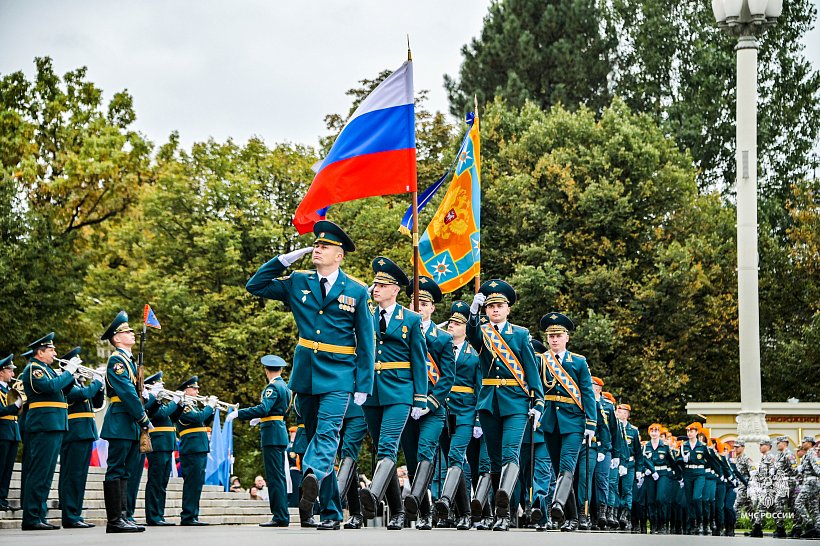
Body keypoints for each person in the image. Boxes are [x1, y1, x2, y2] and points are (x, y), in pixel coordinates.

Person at [246, 220, 374, 531]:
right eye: (315, 245)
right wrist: (284, 260)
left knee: (328, 434)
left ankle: (312, 475)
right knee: (321, 440)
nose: (317, 249)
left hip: (340, 374)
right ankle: (329, 512)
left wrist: (364, 383)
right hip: (306, 373)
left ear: (339, 255)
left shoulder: (355, 290)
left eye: (324, 246)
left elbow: (367, 339)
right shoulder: (298, 281)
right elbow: (256, 285)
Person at [466, 280, 545, 531]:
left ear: (508, 309)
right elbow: (472, 336)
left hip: (516, 402)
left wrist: (538, 400)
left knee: (511, 453)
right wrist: (472, 313)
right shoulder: (484, 332)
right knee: (494, 458)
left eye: (499, 306)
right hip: (490, 401)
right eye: (490, 307)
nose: (495, 310)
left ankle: (504, 513)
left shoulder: (520, 334)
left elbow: (531, 369)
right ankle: (500, 513)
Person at [359, 257, 427, 531]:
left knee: (388, 445)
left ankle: (373, 496)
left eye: (382, 285)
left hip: (400, 389)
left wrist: (420, 397)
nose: (375, 288)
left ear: (396, 289)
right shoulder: (366, 316)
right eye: (374, 283)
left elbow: (419, 359)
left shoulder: (410, 319)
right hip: (372, 391)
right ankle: (398, 512)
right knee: (379, 451)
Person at [401, 276, 455, 529]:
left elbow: (448, 377)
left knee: (425, 452)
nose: (418, 307)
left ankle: (425, 511)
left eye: (423, 303)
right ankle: (423, 510)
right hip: (406, 403)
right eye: (414, 302)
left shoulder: (443, 338)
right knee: (412, 458)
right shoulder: (401, 331)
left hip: (432, 408)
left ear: (432, 308)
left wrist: (431, 403)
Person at [538, 312, 595, 533]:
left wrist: (591, 423)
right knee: (558, 469)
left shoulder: (578, 362)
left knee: (567, 467)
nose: (554, 339)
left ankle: (557, 505)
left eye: (558, 335)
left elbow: (588, 394)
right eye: (551, 336)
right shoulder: (541, 360)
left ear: (566, 338)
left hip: (573, 422)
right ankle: (570, 518)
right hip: (551, 421)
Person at [99, 311, 152, 533]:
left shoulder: (128, 361)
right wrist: (143, 417)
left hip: (129, 421)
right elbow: (127, 392)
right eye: (127, 331)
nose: (132, 333)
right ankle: (114, 521)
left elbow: (135, 391)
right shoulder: (117, 360)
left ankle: (123, 515)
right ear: (117, 338)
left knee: (126, 471)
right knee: (116, 469)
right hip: (121, 418)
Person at [20, 332, 78, 530]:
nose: (55, 353)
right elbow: (50, 387)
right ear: (40, 352)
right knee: (38, 472)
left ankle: (39, 515)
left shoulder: (47, 369)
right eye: (51, 350)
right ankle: (31, 517)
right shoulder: (33, 369)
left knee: (46, 474)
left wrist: (73, 375)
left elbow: (62, 389)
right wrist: (69, 372)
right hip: (44, 425)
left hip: (54, 425)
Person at [434, 300, 482, 531]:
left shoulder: (474, 355)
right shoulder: (441, 349)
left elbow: (480, 387)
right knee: (448, 460)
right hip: (443, 409)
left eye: (457, 323)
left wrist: (479, 418)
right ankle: (458, 513)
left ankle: (454, 508)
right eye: (451, 321)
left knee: (455, 456)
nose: (451, 325)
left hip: (465, 411)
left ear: (466, 328)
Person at [234, 354, 292, 527]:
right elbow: (281, 412)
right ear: (280, 370)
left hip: (272, 435)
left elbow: (264, 407)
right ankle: (281, 515)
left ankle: (280, 516)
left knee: (274, 478)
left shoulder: (272, 387)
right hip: (278, 432)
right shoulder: (286, 388)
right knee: (278, 477)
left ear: (267, 371)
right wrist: (261, 418)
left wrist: (240, 413)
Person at [59, 346, 104, 528]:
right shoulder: (66, 383)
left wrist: (98, 387)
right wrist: (97, 382)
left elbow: (97, 402)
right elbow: (83, 395)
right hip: (74, 433)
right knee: (73, 475)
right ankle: (70, 515)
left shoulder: (78, 382)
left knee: (79, 476)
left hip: (85, 432)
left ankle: (75, 513)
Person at [174, 376, 216, 525]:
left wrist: (211, 411)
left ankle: (193, 515)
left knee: (197, 483)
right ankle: (187, 516)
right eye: (194, 388)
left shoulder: (193, 405)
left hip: (199, 448)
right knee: (192, 483)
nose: (197, 391)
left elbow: (203, 422)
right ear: (185, 390)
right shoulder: (183, 406)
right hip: (191, 449)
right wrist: (209, 406)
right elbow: (197, 418)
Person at [143, 371, 180, 526]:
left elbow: (173, 418)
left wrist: (180, 405)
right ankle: (153, 516)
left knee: (162, 482)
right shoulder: (150, 402)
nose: (163, 386)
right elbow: (162, 414)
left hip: (166, 445)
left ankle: (159, 514)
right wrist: (175, 402)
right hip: (157, 445)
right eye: (159, 383)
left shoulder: (159, 401)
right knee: (155, 481)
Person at [577, 376, 611, 531]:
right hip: (572, 444)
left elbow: (604, 428)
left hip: (590, 446)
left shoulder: (596, 404)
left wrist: (603, 449)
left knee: (585, 479)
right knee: (569, 477)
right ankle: (569, 513)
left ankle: (583, 514)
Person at [641, 423, 673, 535]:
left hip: (662, 474)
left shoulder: (665, 447)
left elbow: (671, 462)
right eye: (652, 431)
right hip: (650, 474)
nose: (654, 433)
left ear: (659, 433)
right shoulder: (645, 447)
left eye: (656, 431)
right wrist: (645, 470)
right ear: (649, 433)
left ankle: (662, 524)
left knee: (660, 498)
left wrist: (676, 475)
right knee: (651, 500)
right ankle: (654, 524)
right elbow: (641, 461)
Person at [678, 422, 708, 535]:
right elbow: (677, 460)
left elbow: (711, 460)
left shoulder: (702, 446)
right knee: (689, 500)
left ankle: (700, 521)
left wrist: (719, 473)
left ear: (696, 432)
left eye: (691, 431)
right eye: (688, 431)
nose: (689, 433)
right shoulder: (683, 446)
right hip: (688, 472)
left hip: (699, 473)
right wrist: (682, 460)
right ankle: (692, 524)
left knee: (696, 497)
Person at [0, 354, 21, 512]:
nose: (13, 374)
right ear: (1, 372)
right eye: (10, 371)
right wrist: (16, 405)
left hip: (13, 431)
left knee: (8, 469)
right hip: (2, 431)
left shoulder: (9, 390)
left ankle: (3, 498)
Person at [616, 403, 642, 531]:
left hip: (630, 464)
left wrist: (639, 469)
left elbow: (638, 452)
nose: (618, 413)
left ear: (626, 414)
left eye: (621, 411)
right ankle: (615, 515)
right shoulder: (614, 427)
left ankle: (625, 515)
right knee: (615, 489)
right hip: (616, 462)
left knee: (627, 490)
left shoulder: (633, 430)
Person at [772, 435, 797, 538]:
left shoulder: (789, 454)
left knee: (779, 503)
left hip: (787, 483)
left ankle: (781, 528)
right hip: (781, 483)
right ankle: (795, 528)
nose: (777, 445)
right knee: (791, 506)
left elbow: (794, 469)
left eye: (778, 443)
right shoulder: (779, 455)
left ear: (785, 443)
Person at [795, 437, 820, 538]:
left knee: (798, 503)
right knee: (813, 507)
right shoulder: (807, 454)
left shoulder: (811, 453)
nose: (802, 444)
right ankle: (818, 528)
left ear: (810, 443)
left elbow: (817, 468)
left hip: (811, 482)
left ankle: (810, 525)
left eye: (804, 442)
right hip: (809, 482)